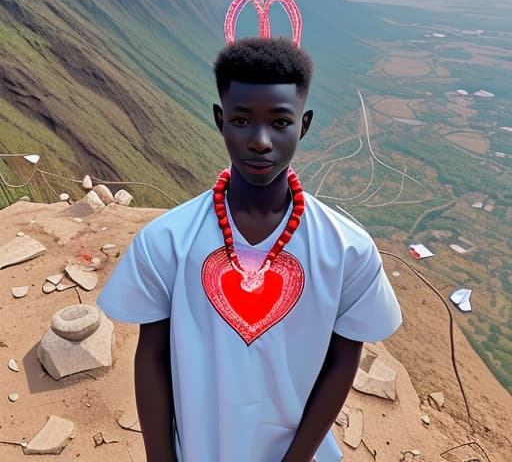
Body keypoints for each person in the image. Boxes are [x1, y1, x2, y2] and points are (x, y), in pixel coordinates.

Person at [96, 36, 402, 462]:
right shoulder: (165, 241)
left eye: (280, 122)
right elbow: (152, 355)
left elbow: (342, 361)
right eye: (242, 121)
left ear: (305, 124)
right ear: (220, 120)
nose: (260, 140)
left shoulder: (348, 251)